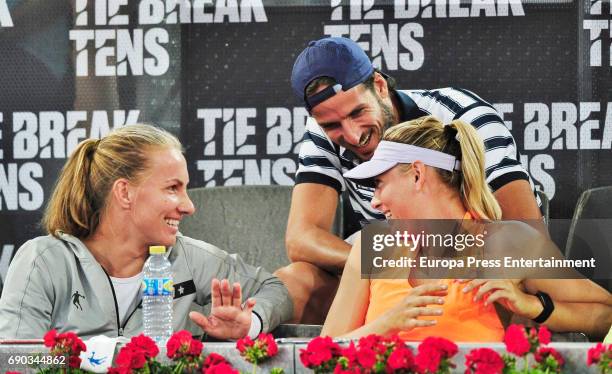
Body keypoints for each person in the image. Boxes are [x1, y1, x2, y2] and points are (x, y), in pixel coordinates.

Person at [275, 36, 544, 323]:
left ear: (379, 85)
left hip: (474, 269)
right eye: (332, 125)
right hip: (389, 271)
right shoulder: (323, 130)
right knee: (294, 280)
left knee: (519, 281)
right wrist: (390, 266)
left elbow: (528, 236)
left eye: (358, 112)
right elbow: (301, 239)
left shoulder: (464, 115)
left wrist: (446, 269)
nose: (353, 136)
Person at [321, 116, 612, 341]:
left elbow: (606, 316)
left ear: (417, 175)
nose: (375, 201)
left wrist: (533, 306)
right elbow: (323, 354)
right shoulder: (372, 246)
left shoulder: (510, 243)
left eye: (379, 184)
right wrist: (383, 327)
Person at [0, 124, 292, 340]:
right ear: (125, 193)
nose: (189, 206)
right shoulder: (43, 261)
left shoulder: (188, 258)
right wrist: (81, 362)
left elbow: (276, 289)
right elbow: (15, 363)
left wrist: (249, 323)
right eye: (172, 188)